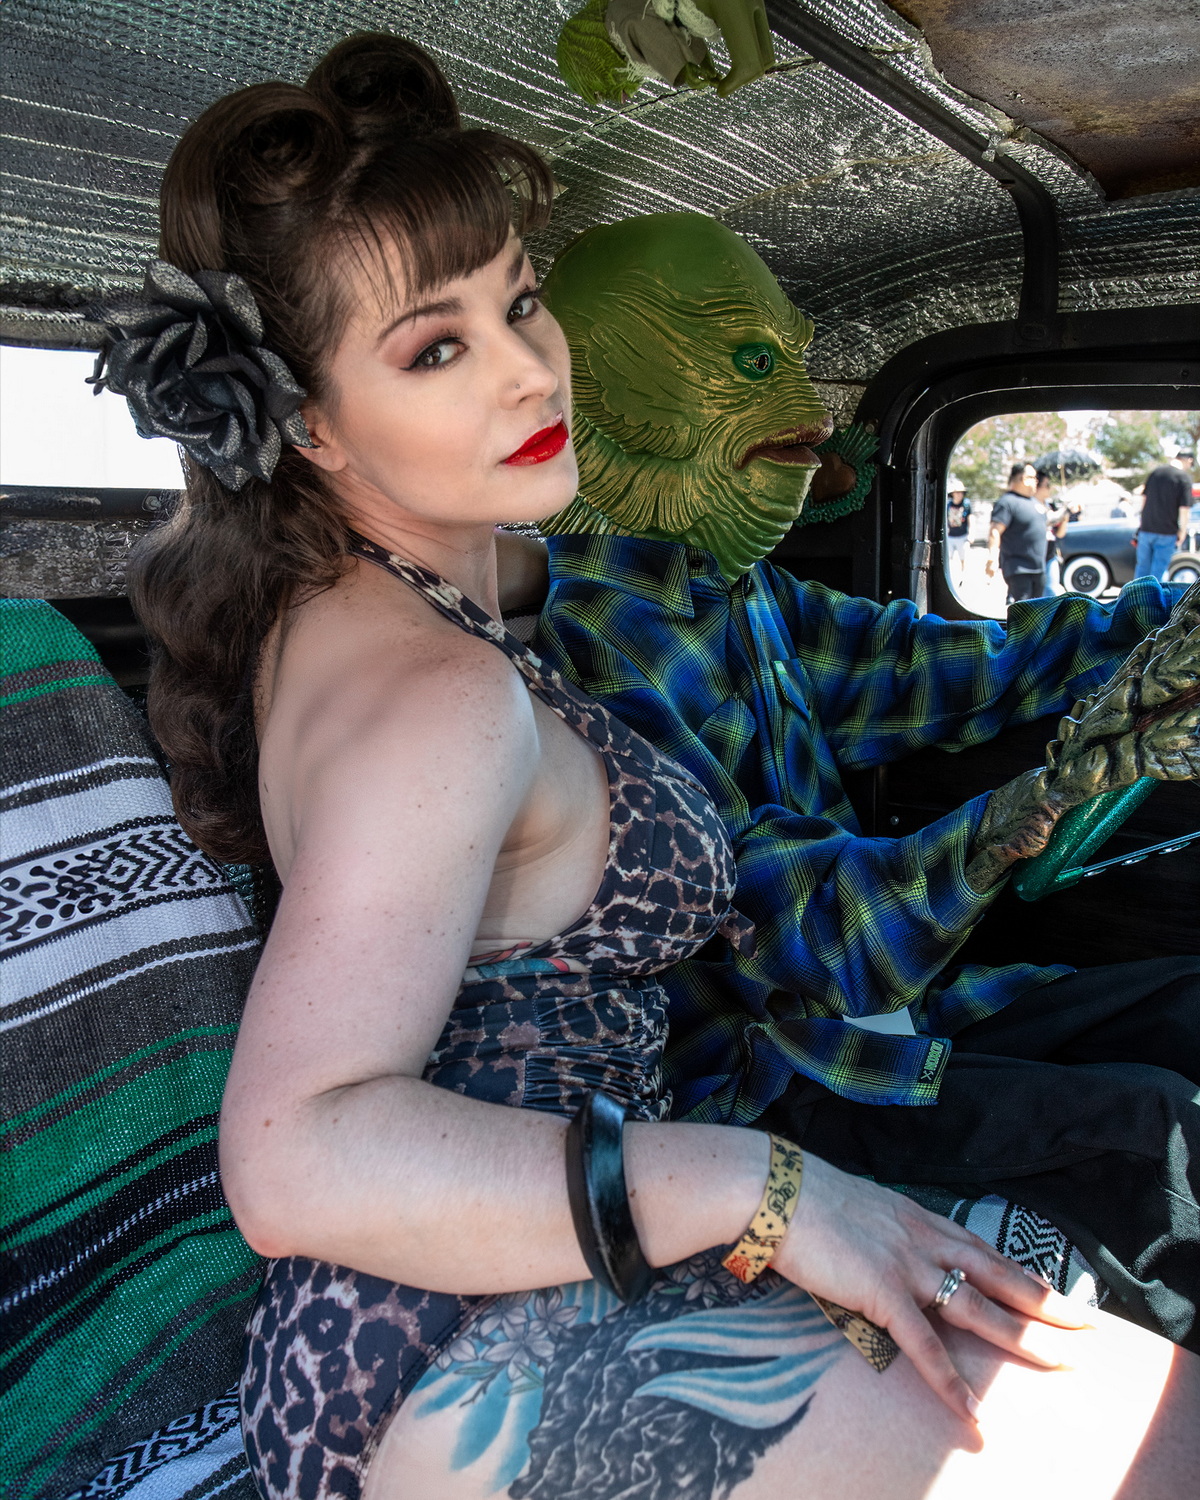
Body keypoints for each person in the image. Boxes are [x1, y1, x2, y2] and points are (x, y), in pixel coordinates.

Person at [90, 33, 1199, 1500]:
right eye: (435, 348)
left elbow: (943, 676)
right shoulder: (436, 691)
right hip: (447, 1332)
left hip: (538, 1246)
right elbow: (294, 1157)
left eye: (517, 301)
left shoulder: (437, 599)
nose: (528, 369)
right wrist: (771, 1187)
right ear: (309, 425)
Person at [531, 212, 1200, 1353]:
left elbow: (959, 668)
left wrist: (1165, 623)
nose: (810, 406)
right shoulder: (578, 650)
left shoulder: (746, 595)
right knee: (1162, 1142)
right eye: (755, 364)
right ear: (613, 393)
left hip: (888, 1015)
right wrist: (1020, 815)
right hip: (776, 1085)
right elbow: (789, 931)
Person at [986, 462, 1048, 601]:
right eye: (1032, 477)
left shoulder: (1035, 502)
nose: (1036, 481)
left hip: (1039, 568)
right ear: (1022, 479)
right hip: (1019, 569)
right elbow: (995, 531)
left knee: (1039, 609)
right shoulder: (1007, 502)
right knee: (1024, 610)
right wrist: (992, 558)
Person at [1138, 451, 1195, 581]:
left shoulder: (1155, 473)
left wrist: (1142, 523)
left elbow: (1144, 500)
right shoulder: (1183, 478)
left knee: (1142, 569)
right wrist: (1182, 531)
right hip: (1167, 532)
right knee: (1159, 571)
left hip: (1146, 529)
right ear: (1189, 460)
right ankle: (1156, 595)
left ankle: (1136, 594)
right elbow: (1184, 509)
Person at [1037, 470, 1069, 594]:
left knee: (1051, 591)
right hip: (1035, 557)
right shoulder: (1031, 505)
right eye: (1047, 485)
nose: (1049, 488)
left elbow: (1060, 534)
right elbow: (1047, 520)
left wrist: (1065, 517)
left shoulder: (1050, 506)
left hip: (1050, 554)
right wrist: (1065, 510)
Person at [945, 479, 971, 582]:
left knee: (963, 557)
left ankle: (963, 577)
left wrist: (971, 534)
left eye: (961, 492)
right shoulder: (948, 505)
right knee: (948, 557)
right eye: (957, 492)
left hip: (962, 535)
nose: (959, 494)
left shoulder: (966, 504)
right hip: (950, 536)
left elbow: (971, 518)